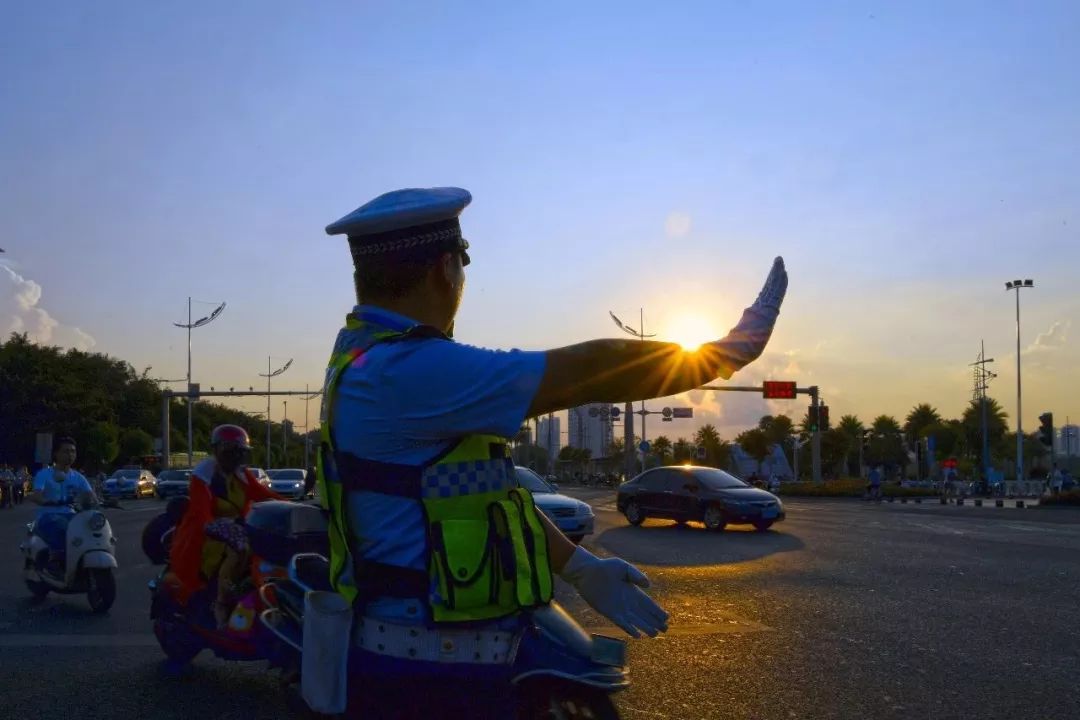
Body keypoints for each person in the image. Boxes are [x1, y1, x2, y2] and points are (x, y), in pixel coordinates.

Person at [316, 187, 787, 707]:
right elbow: (585, 370)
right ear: (447, 269)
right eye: (464, 265)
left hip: (442, 663)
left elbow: (484, 505)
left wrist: (579, 566)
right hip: (427, 678)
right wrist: (724, 353)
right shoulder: (407, 369)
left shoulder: (373, 363)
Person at [166, 424, 282, 627]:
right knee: (240, 547)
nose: (235, 457)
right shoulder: (204, 477)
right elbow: (202, 513)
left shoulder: (242, 476)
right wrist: (226, 529)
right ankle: (220, 603)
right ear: (217, 451)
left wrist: (295, 506)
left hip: (239, 527)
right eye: (229, 452)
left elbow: (266, 497)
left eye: (239, 452)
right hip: (205, 534)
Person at [27, 438, 97, 572]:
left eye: (73, 452)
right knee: (62, 526)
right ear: (56, 454)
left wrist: (95, 501)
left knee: (90, 526)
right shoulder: (45, 474)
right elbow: (37, 494)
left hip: (71, 514)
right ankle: (55, 559)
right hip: (48, 515)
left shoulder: (77, 477)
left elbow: (90, 495)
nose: (70, 455)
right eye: (66, 451)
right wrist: (46, 501)